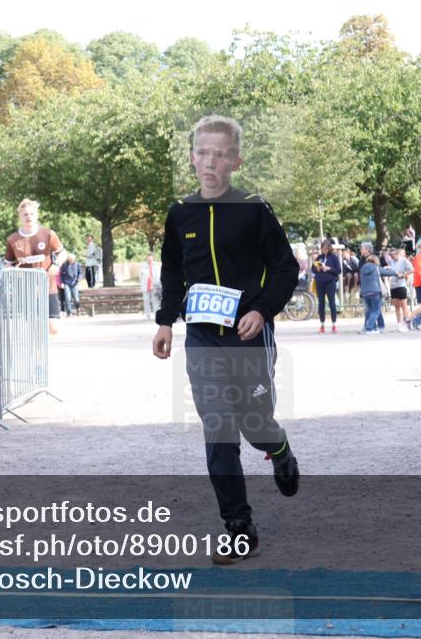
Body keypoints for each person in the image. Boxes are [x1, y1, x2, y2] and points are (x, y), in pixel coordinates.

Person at [151, 115, 300, 565]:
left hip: (249, 336)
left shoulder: (254, 209)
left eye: (220, 154)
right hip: (202, 339)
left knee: (255, 424)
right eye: (202, 152)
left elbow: (285, 269)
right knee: (218, 429)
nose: (209, 161)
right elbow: (174, 272)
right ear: (192, 156)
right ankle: (239, 526)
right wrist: (164, 321)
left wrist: (260, 310)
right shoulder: (180, 213)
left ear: (234, 160)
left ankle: (278, 448)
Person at [4, 199, 66, 335]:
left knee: (53, 329)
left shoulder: (48, 234)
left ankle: (42, 341)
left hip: (47, 286)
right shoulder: (13, 239)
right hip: (26, 288)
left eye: (31, 214)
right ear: (20, 217)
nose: (29, 217)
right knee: (33, 327)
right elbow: (8, 263)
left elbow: (63, 253)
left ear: (37, 215)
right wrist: (11, 272)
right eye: (25, 214)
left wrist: (56, 264)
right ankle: (37, 353)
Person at [357, 242, 397, 334]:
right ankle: (370, 327)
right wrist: (396, 273)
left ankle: (377, 326)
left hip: (367, 288)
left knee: (371, 310)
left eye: (362, 248)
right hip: (373, 288)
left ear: (367, 250)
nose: (360, 250)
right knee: (374, 310)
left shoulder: (371, 259)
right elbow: (383, 271)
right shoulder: (365, 260)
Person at [311, 240, 341, 334]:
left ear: (329, 248)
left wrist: (329, 268)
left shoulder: (334, 257)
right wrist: (317, 268)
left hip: (330, 282)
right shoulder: (319, 257)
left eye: (326, 249)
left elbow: (338, 270)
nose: (324, 250)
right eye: (323, 249)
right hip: (320, 282)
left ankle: (334, 325)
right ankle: (322, 325)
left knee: (332, 303)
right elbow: (313, 268)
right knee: (321, 304)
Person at [385, 247, 414, 331]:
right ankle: (399, 324)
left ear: (397, 253)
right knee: (396, 305)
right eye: (390, 255)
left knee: (404, 305)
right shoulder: (390, 261)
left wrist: (403, 274)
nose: (392, 257)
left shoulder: (403, 260)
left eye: (393, 255)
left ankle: (408, 322)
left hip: (401, 284)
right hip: (393, 285)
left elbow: (412, 269)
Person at [139, 252, 160, 320]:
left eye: (150, 257)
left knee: (155, 301)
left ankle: (156, 315)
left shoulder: (156, 265)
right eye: (148, 257)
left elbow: (159, 276)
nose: (149, 258)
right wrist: (142, 284)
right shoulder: (143, 266)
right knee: (146, 301)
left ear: (152, 257)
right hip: (146, 286)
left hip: (154, 286)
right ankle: (147, 316)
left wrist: (158, 285)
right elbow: (140, 276)